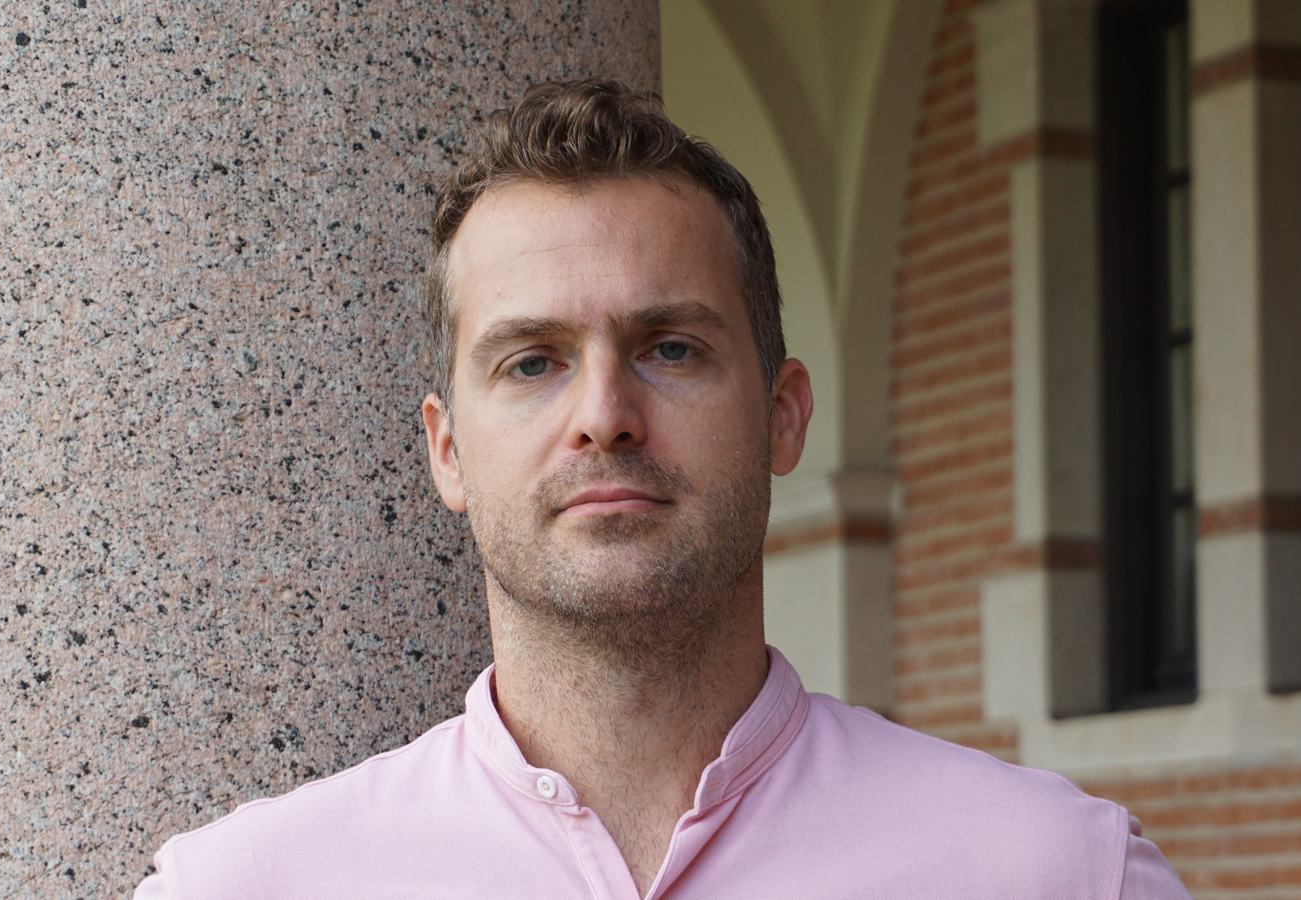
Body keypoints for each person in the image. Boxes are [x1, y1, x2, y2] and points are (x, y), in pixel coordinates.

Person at [134, 80, 1191, 900]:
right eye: (532, 362)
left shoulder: (1053, 874)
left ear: (784, 415)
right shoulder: (245, 888)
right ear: (446, 451)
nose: (603, 412)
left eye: (671, 348)